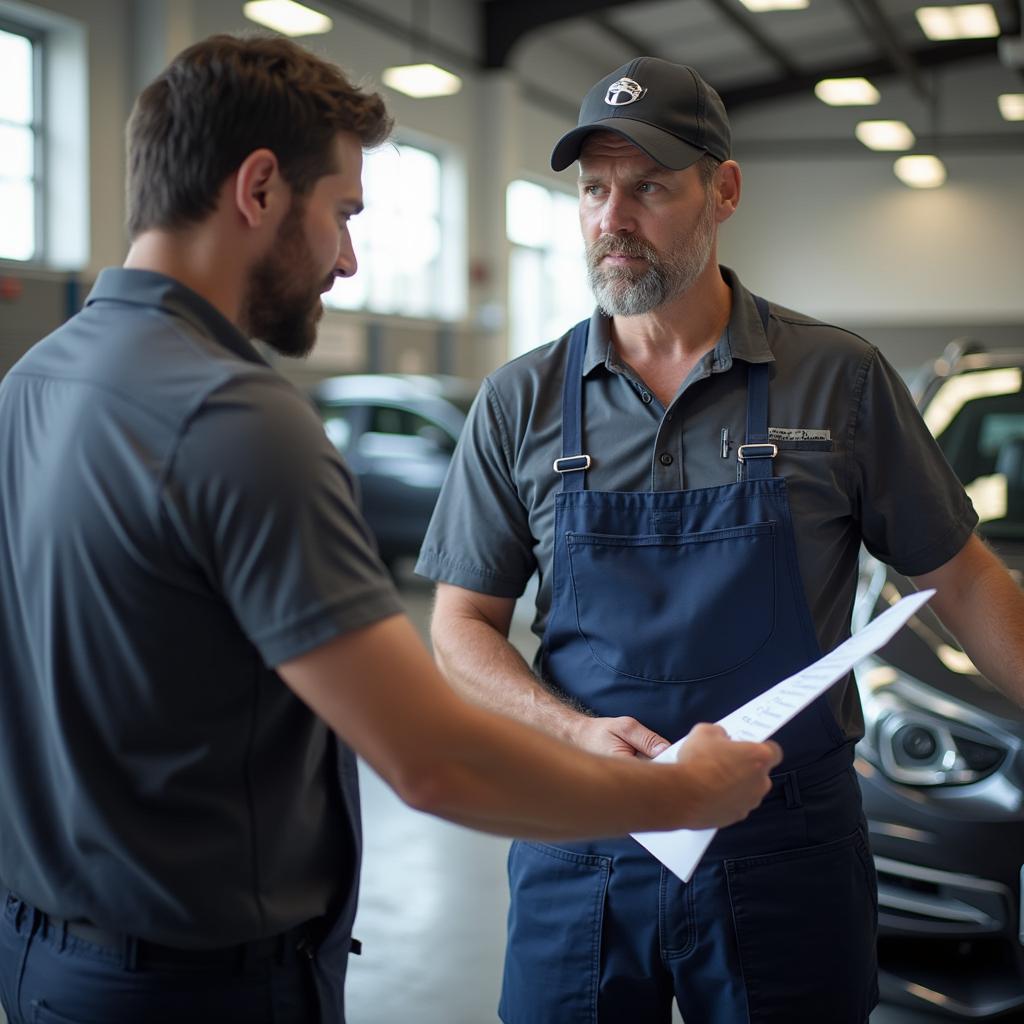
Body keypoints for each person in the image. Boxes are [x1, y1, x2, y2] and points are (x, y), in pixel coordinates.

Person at [0, 39, 784, 1024]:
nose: (348, 258)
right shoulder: (238, 419)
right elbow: (432, 760)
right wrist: (678, 796)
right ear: (258, 190)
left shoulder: (29, 387)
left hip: (39, 967)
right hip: (199, 987)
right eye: (343, 213)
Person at [417, 56, 1024, 1024]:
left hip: (782, 847)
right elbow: (461, 626)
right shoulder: (519, 400)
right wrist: (571, 732)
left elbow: (961, 575)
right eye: (593, 190)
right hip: (585, 834)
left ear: (722, 190)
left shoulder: (837, 380)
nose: (613, 218)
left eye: (649, 186)